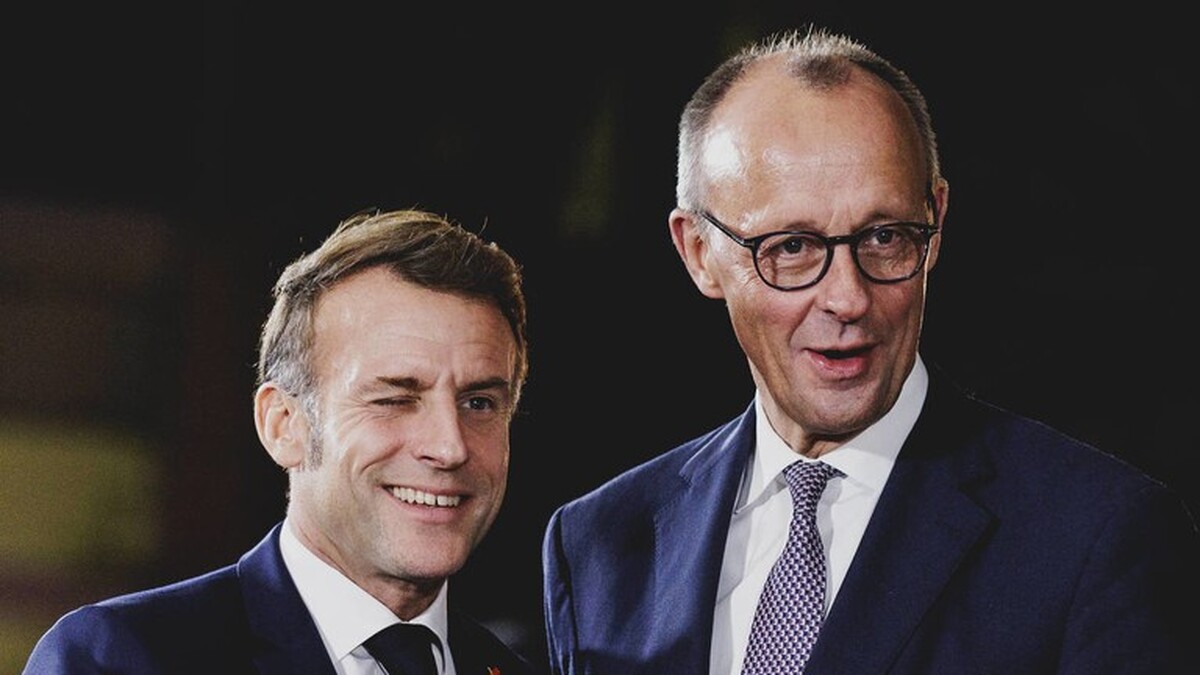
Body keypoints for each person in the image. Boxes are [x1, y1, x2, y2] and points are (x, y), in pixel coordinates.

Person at [542, 26, 1200, 674]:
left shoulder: (1096, 535)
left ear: (935, 221)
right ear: (698, 252)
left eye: (884, 237)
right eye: (792, 247)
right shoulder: (601, 546)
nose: (848, 297)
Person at [25, 209, 536, 674]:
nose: (450, 447)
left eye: (479, 403)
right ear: (283, 424)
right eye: (394, 399)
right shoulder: (125, 658)